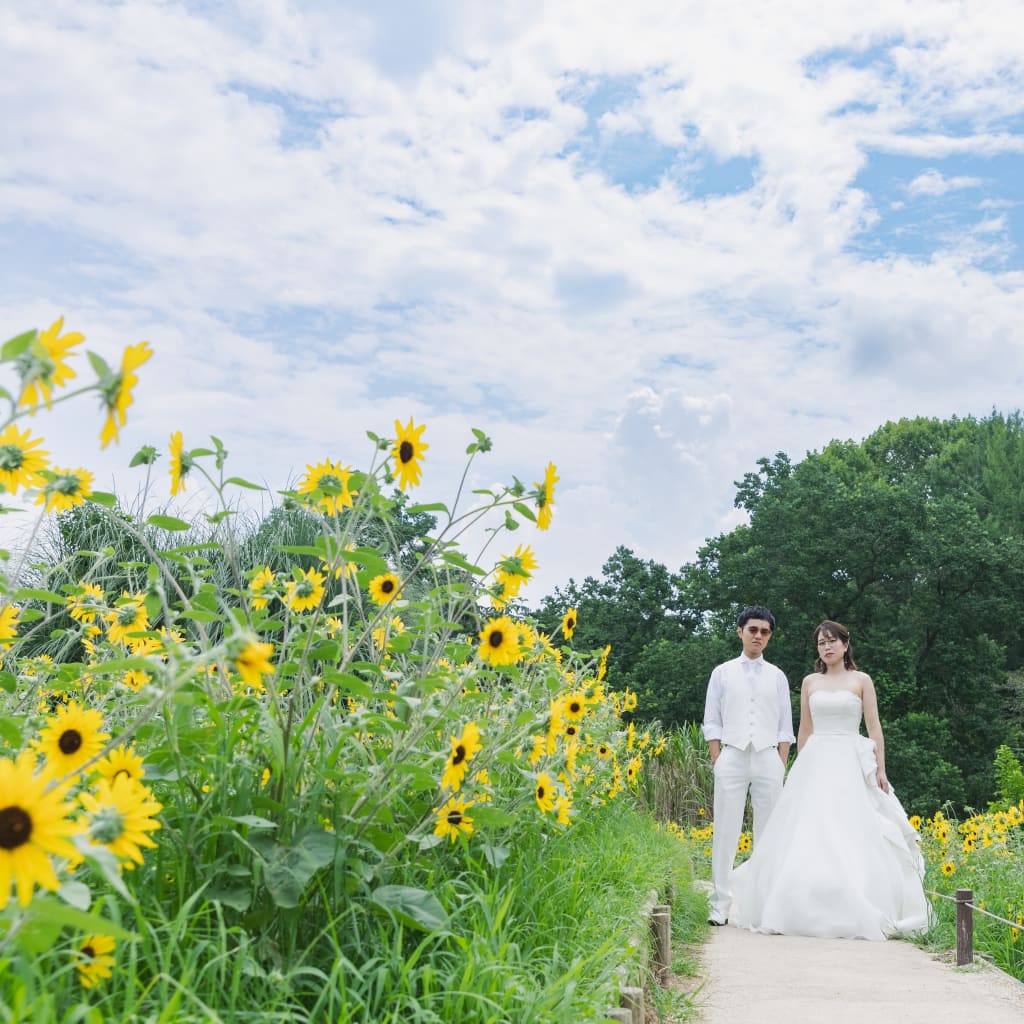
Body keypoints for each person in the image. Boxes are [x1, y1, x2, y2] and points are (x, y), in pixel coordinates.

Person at [729, 619, 930, 940]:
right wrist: (797, 768)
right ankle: (801, 901)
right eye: (822, 643)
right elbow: (805, 730)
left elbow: (874, 727)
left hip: (851, 757)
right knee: (811, 829)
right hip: (816, 759)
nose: (827, 647)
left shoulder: (862, 680)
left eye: (832, 641)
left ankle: (856, 898)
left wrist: (881, 768)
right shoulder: (810, 682)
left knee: (851, 828)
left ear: (845, 645)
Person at [702, 605, 795, 926]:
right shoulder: (722, 672)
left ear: (769, 637)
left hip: (769, 757)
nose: (758, 636)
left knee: (768, 834)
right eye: (753, 630)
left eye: (764, 632)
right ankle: (719, 904)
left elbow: (786, 724)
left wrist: (780, 762)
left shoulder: (778, 676)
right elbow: (711, 719)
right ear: (740, 631)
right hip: (732, 755)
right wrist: (718, 758)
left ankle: (764, 904)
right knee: (725, 832)